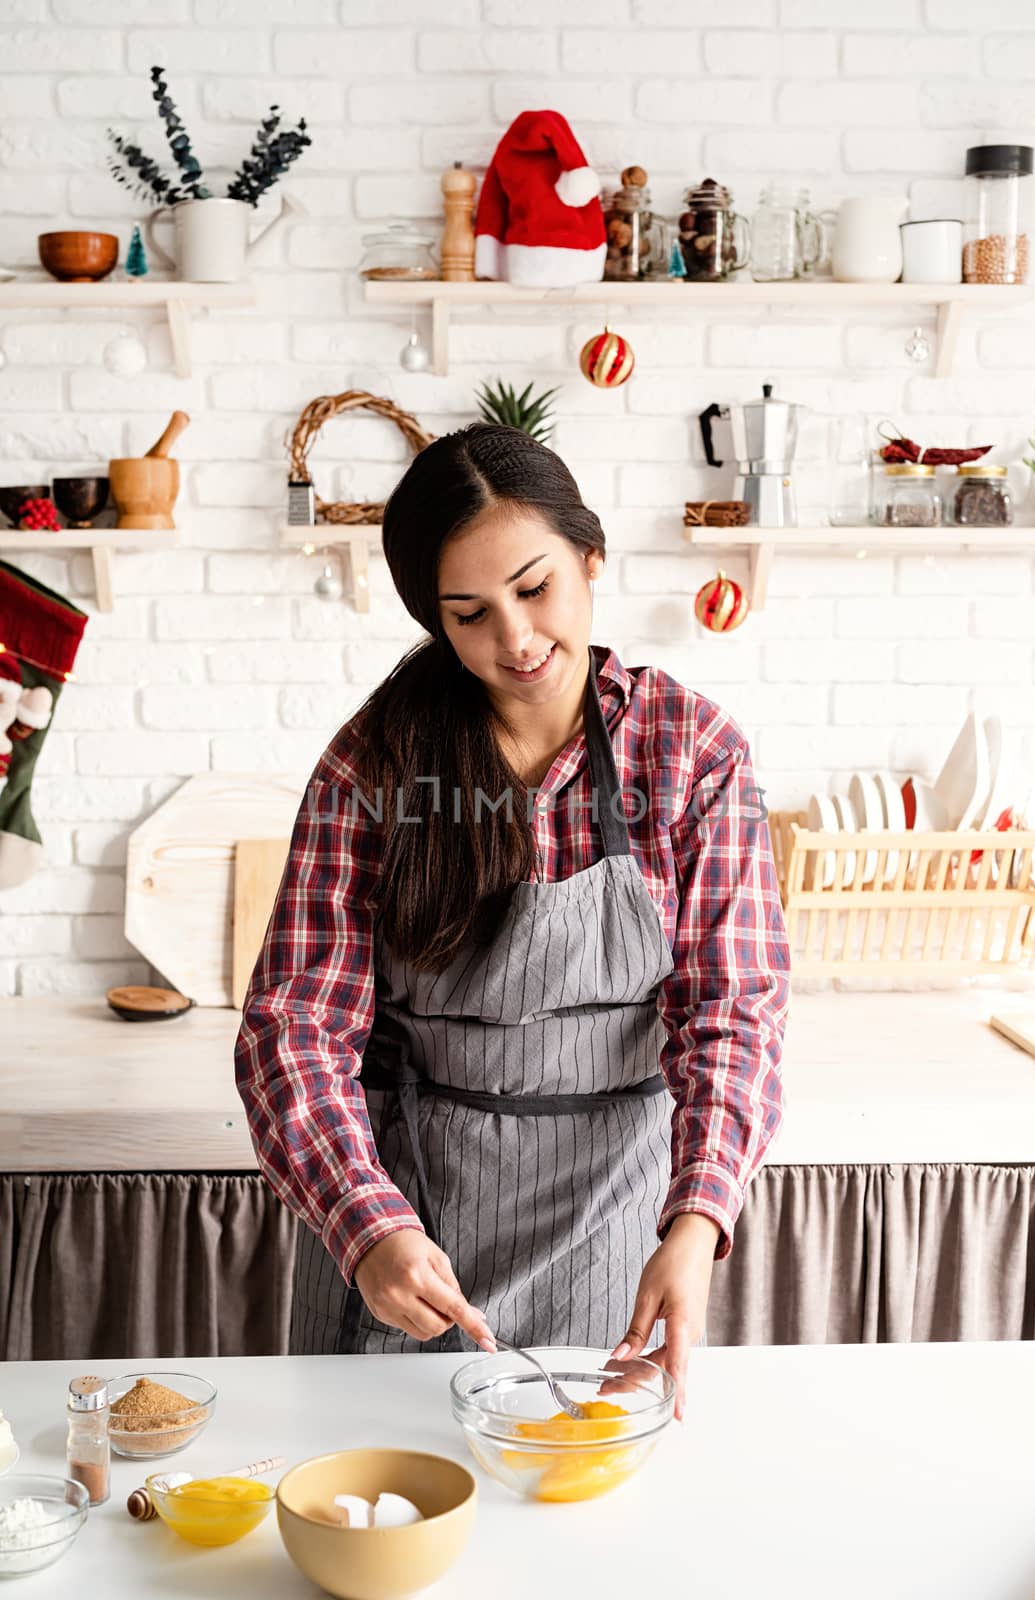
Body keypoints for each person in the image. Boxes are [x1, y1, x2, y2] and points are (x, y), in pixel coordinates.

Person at [235, 423, 790, 1419]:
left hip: (623, 1241)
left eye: (534, 590)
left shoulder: (693, 754)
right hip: (412, 1237)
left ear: (590, 557)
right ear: (435, 623)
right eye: (471, 614)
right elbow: (295, 1028)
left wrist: (699, 1221)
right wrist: (367, 1226)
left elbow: (732, 1014)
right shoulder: (373, 769)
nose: (518, 640)